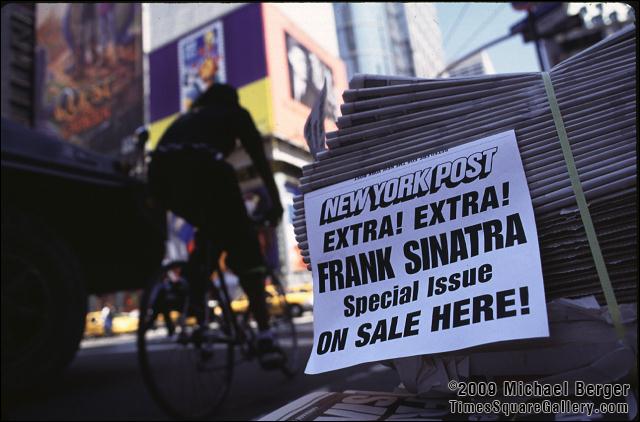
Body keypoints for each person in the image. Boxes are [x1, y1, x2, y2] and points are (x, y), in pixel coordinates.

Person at [147, 83, 284, 364]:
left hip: (160, 175)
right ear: (232, 100)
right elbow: (259, 160)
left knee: (209, 235)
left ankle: (198, 318)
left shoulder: (186, 118)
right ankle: (265, 335)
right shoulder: (234, 114)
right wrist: (276, 203)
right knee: (247, 252)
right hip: (203, 169)